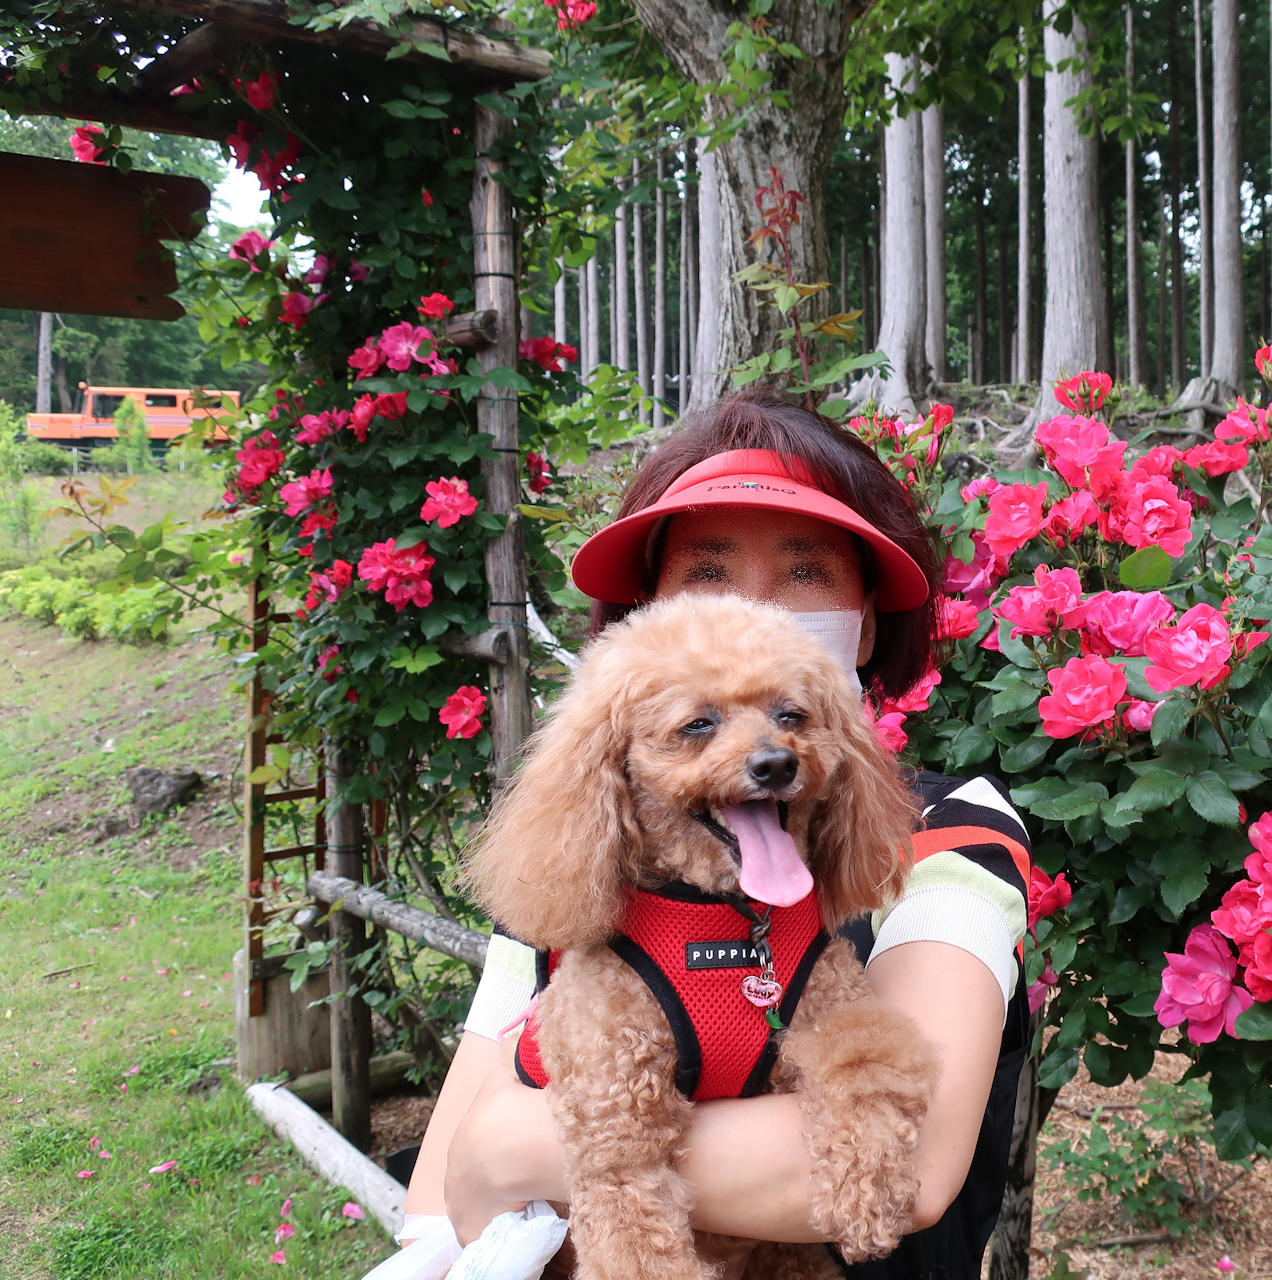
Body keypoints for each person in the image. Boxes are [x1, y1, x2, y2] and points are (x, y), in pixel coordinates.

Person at [401, 392, 1034, 1279]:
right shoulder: (583, 868)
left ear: (864, 617)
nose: (753, 605)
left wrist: (518, 1146)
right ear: (648, 608)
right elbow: (439, 1196)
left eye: (807, 570)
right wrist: (498, 1158)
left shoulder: (953, 828)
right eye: (707, 571)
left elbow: (913, 1169)